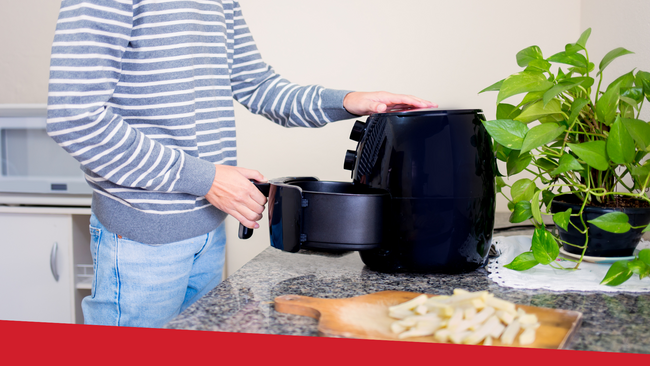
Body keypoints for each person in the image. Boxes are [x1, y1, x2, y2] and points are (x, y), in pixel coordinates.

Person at [47, 0, 436, 328]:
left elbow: (257, 85)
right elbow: (74, 118)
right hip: (142, 237)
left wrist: (348, 100)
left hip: (208, 228)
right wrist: (207, 178)